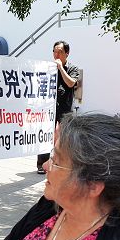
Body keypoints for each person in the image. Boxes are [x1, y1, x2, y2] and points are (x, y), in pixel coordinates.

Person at [37, 40, 80, 174]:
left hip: (65, 108)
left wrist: (60, 68)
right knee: (45, 135)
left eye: (60, 52)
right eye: (55, 51)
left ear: (67, 54)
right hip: (49, 108)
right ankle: (42, 164)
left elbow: (71, 83)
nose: (57, 54)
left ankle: (65, 164)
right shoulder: (48, 67)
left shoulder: (73, 68)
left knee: (65, 137)